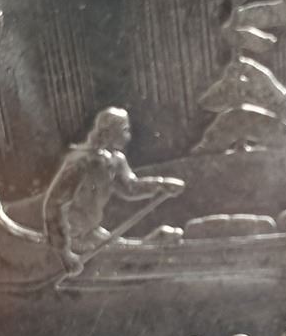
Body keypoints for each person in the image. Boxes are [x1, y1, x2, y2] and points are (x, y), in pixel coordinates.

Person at [43, 107, 184, 275]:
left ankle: (154, 242)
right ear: (108, 132)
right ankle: (155, 241)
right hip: (72, 238)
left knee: (130, 252)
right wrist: (64, 253)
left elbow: (130, 187)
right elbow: (53, 204)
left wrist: (161, 184)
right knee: (130, 256)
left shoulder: (115, 160)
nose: (128, 136)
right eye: (124, 130)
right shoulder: (81, 162)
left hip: (92, 233)